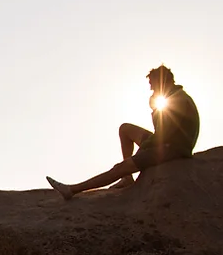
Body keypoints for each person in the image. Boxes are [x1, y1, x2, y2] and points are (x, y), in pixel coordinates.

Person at [46, 65, 200, 200]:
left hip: (173, 148)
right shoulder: (173, 97)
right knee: (125, 129)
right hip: (167, 141)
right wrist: (155, 111)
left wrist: (142, 150)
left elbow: (163, 135)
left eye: (153, 85)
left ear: (162, 82)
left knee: (120, 167)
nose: (152, 89)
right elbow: (162, 130)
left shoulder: (178, 100)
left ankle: (72, 190)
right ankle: (127, 178)